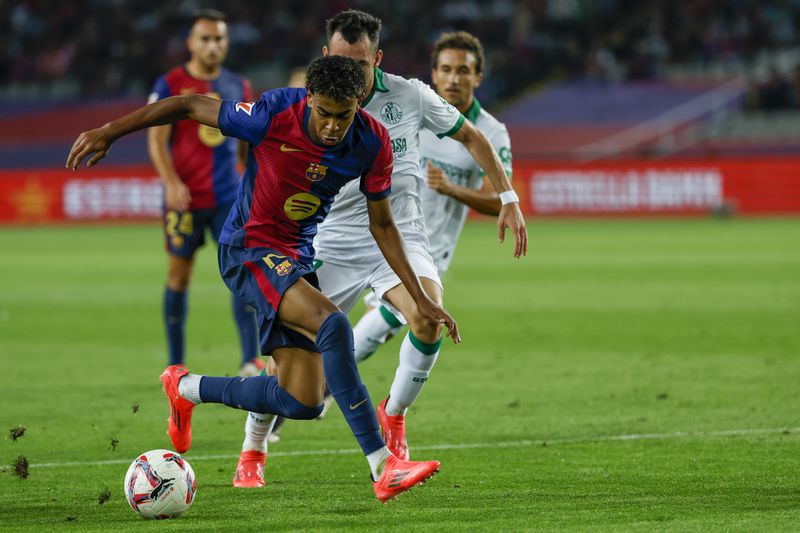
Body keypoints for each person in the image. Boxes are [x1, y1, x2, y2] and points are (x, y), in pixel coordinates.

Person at [67, 55, 457, 503]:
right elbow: (191, 105)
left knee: (303, 401)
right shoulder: (274, 113)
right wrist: (110, 131)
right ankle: (382, 465)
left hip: (296, 257)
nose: (332, 126)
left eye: (343, 116)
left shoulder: (372, 142)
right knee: (333, 324)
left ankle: (187, 387)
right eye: (324, 113)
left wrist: (419, 297)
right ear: (309, 99)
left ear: (358, 107)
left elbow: (384, 227)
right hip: (248, 248)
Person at [233, 9, 526, 487]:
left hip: (400, 234)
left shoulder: (409, 94)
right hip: (330, 239)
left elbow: (470, 135)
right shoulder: (313, 106)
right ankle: (254, 448)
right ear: (326, 57)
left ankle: (395, 414)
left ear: (378, 59)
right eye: (342, 63)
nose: (350, 76)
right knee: (289, 359)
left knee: (429, 318)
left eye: (362, 66)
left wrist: (508, 197)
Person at [353, 31, 512, 360]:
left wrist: (452, 189)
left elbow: (500, 200)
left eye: (463, 71)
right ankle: (327, 382)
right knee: (399, 318)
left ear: (478, 77)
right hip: (383, 233)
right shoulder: (412, 112)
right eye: (446, 69)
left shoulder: (490, 131)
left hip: (433, 247)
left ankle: (322, 382)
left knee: (392, 321)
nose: (454, 78)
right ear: (435, 73)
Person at [147, 9, 260, 373]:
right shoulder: (171, 83)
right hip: (185, 198)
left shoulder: (238, 85)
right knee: (179, 275)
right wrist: (171, 183)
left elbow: (246, 140)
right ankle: (176, 364)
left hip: (228, 197)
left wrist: (248, 178)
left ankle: (249, 359)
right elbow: (157, 139)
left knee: (241, 271)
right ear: (191, 43)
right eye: (206, 39)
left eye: (219, 39)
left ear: (227, 43)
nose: (213, 45)